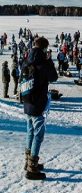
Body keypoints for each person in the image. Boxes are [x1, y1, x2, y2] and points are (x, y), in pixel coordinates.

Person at [20, 37, 58, 180]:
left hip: (27, 101)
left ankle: (28, 161)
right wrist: (49, 61)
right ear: (44, 48)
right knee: (38, 134)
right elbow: (53, 77)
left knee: (30, 132)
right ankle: (32, 167)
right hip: (37, 104)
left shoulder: (26, 60)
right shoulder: (42, 63)